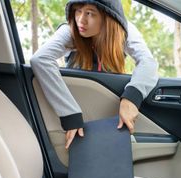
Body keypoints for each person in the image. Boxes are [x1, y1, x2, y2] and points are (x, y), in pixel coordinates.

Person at [30, 0, 158, 149]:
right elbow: (40, 59)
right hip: (80, 106)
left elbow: (148, 62)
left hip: (109, 107)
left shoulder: (124, 30)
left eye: (90, 13)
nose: (80, 20)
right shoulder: (70, 30)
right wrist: (70, 115)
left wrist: (131, 98)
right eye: (78, 11)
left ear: (107, 17)